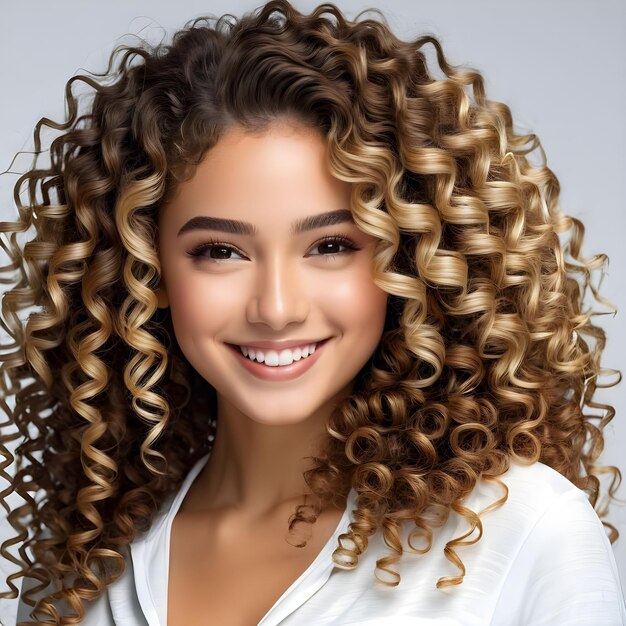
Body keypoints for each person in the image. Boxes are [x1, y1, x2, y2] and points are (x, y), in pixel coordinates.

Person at [0, 0, 624, 624]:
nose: (276, 308)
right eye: (220, 251)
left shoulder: (524, 534)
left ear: (407, 258)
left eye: (330, 246)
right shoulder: (86, 562)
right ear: (147, 267)